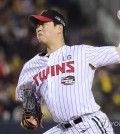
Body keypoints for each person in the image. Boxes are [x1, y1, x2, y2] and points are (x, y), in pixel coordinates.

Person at [16, 9, 120, 134]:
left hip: (89, 124)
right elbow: (29, 104)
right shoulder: (31, 66)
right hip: (62, 128)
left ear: (59, 28)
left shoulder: (81, 52)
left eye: (43, 24)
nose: (38, 28)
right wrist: (30, 115)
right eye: (37, 25)